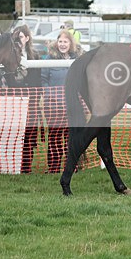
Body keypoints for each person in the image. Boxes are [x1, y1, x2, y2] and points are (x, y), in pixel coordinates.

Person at [41, 30, 80, 172]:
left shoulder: (77, 59)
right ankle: (54, 167)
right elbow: (44, 80)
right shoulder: (49, 59)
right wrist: (51, 95)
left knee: (71, 136)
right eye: (60, 41)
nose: (62, 44)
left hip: (72, 105)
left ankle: (71, 166)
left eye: (65, 41)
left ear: (70, 43)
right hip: (53, 105)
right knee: (54, 137)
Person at [11, 25, 41, 174]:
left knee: (29, 135)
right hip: (14, 101)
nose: (18, 40)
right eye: (16, 37)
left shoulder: (35, 55)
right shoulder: (9, 55)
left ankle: (26, 166)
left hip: (31, 101)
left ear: (27, 38)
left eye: (21, 37)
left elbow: (37, 80)